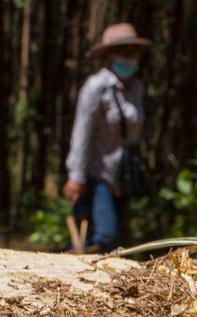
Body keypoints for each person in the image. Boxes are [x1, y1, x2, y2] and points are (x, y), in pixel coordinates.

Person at [64, 23, 149, 254]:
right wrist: (76, 177)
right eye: (123, 52)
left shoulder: (136, 88)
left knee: (118, 238)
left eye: (133, 52)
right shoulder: (96, 87)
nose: (129, 58)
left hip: (123, 173)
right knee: (105, 234)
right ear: (109, 55)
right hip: (97, 172)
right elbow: (82, 132)